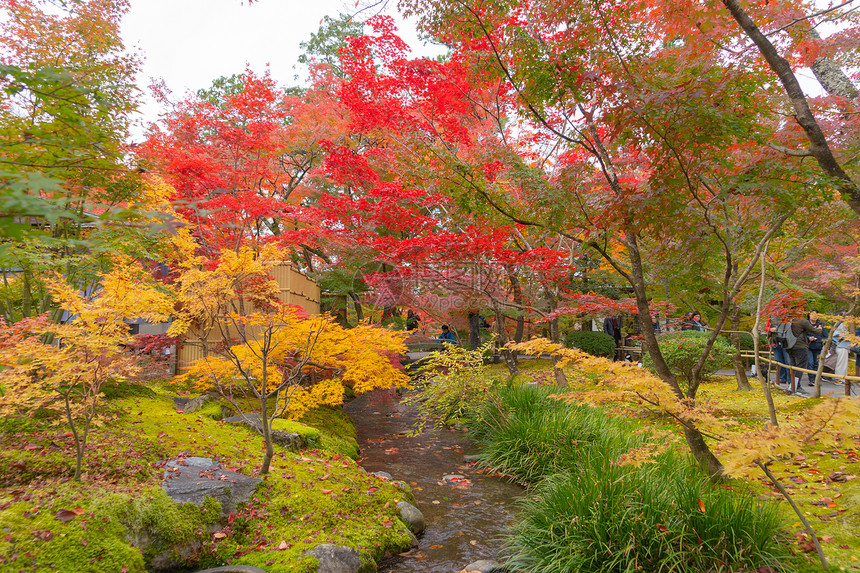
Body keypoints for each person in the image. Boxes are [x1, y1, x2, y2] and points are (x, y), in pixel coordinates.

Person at [786, 313, 822, 393]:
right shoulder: (802, 320)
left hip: (789, 345)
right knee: (800, 366)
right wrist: (819, 329)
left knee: (792, 366)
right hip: (800, 346)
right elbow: (814, 331)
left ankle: (791, 385)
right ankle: (796, 386)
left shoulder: (788, 320)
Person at [765, 315, 790, 386]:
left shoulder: (787, 315)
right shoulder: (771, 316)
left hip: (786, 341)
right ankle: (782, 378)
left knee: (787, 361)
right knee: (778, 360)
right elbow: (766, 327)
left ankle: (790, 380)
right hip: (775, 341)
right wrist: (770, 329)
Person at [806, 311, 827, 386]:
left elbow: (825, 336)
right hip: (808, 346)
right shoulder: (806, 323)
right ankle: (811, 379)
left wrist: (826, 346)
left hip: (818, 346)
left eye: (816, 315)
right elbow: (802, 335)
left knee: (816, 363)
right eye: (812, 314)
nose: (814, 316)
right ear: (809, 315)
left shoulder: (820, 324)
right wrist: (808, 338)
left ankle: (816, 380)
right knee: (810, 363)